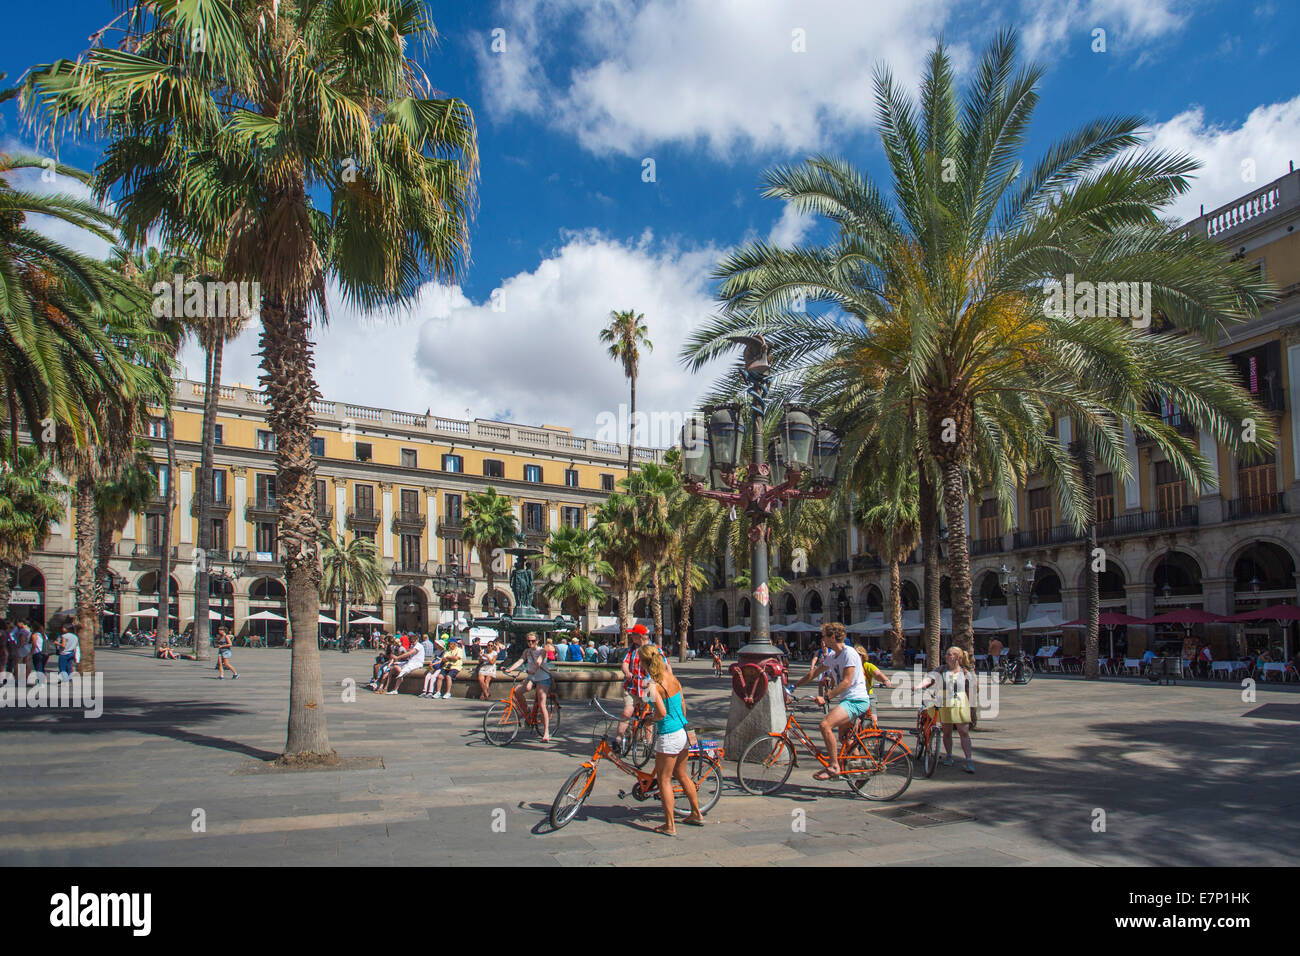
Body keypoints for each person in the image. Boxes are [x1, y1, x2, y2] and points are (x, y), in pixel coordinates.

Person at [793, 622, 891, 779]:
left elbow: (846, 682)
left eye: (824, 636)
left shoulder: (849, 653)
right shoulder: (832, 657)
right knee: (845, 738)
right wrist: (793, 686)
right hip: (848, 700)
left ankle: (834, 767)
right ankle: (861, 773)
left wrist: (826, 697)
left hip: (856, 700)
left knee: (825, 725)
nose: (822, 640)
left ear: (832, 637)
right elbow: (814, 673)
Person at [638, 643, 704, 835]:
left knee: (664, 780)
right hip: (683, 731)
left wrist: (651, 719)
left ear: (644, 662)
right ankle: (696, 813)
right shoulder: (671, 677)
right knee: (682, 775)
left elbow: (660, 712)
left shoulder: (651, 685)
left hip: (668, 735)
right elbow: (682, 703)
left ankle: (669, 825)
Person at [916, 647, 976, 773]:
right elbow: (929, 678)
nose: (949, 656)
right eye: (948, 654)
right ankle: (949, 756)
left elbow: (972, 689)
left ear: (959, 657)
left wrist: (971, 705)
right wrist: (918, 686)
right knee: (946, 731)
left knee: (963, 732)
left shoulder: (965, 672)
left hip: (960, 702)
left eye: (952, 654)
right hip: (943, 701)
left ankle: (969, 760)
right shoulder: (941, 669)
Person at [505, 631, 553, 741]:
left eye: (533, 641)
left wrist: (532, 670)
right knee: (517, 691)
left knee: (542, 704)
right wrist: (510, 669)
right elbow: (520, 661)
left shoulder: (542, 651)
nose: (530, 643)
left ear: (537, 641)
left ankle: (546, 732)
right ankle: (527, 713)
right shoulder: (527, 651)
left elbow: (539, 663)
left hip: (543, 678)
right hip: (532, 677)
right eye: (528, 641)